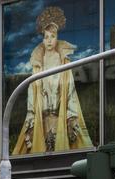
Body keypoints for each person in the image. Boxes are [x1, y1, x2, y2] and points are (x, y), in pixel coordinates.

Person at [12, 6, 93, 155]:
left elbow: (69, 90)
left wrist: (71, 116)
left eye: (52, 36)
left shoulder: (64, 61)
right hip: (41, 120)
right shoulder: (37, 63)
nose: (49, 40)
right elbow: (32, 91)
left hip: (60, 117)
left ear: (57, 37)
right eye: (46, 36)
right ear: (43, 38)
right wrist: (31, 116)